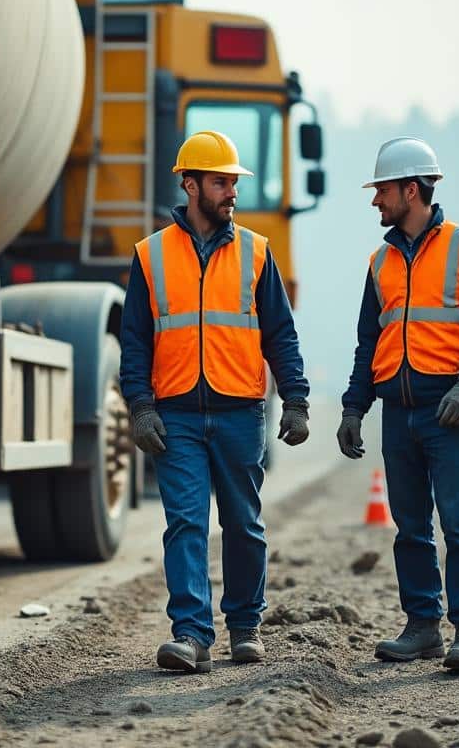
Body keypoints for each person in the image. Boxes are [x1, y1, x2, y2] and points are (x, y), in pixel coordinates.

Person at [120, 130, 310, 674]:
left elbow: (281, 332)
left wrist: (295, 399)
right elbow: (135, 339)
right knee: (184, 522)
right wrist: (141, 406)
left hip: (239, 410)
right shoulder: (151, 255)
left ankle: (245, 626)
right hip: (175, 412)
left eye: (233, 183)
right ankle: (192, 635)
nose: (231, 192)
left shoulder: (256, 253)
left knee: (244, 524)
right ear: (190, 184)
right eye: (222, 182)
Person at [337, 137, 459, 674]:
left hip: (449, 412)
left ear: (411, 190)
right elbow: (371, 342)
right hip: (398, 413)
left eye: (382, 190)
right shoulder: (380, 262)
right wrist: (353, 407)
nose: (375, 201)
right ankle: (422, 628)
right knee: (410, 526)